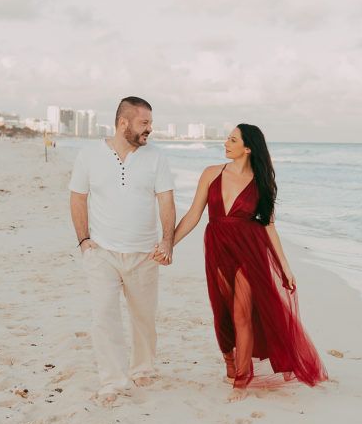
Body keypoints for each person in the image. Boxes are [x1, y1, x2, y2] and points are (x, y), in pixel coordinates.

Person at [165, 123, 326, 402]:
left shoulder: (261, 182)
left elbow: (269, 227)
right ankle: (230, 361)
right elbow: (193, 214)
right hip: (217, 247)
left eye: (232, 139)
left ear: (248, 148)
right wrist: (169, 245)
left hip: (250, 251)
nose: (225, 143)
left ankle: (241, 380)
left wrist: (285, 267)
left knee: (242, 314)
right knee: (222, 311)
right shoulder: (211, 173)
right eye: (228, 139)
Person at [69, 96, 176, 405]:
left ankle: (142, 368)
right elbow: (78, 197)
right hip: (102, 252)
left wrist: (167, 240)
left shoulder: (156, 157)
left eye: (150, 124)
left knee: (144, 317)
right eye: (144, 123)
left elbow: (165, 200)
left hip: (144, 253)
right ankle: (112, 381)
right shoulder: (89, 155)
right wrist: (83, 240)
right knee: (104, 316)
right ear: (123, 123)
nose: (150, 130)